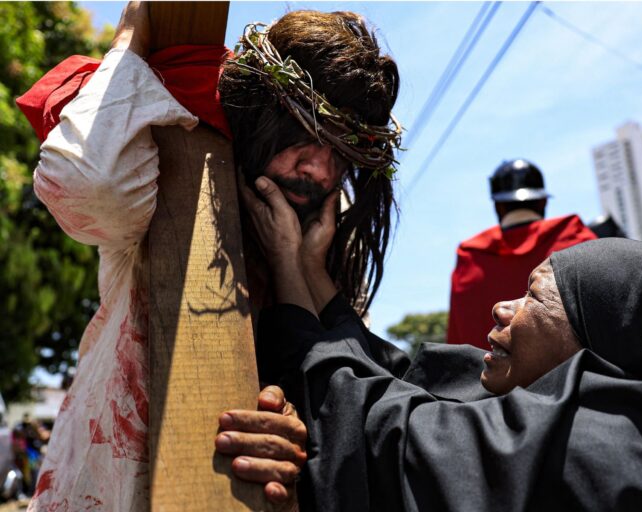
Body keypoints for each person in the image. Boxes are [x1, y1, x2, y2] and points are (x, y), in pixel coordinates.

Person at [17, 2, 400, 509]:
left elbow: (357, 396)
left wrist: (302, 268)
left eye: (339, 153)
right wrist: (129, 41)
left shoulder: (327, 236)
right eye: (303, 138)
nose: (319, 169)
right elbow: (85, 184)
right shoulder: (173, 167)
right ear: (263, 121)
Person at [220, 186, 642, 510]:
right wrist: (313, 271)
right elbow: (407, 381)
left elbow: (376, 428)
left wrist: (287, 263)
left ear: (602, 340)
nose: (502, 309)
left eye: (532, 295)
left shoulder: (589, 453)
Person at [446, 159, 596, 348]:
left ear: (498, 206)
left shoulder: (469, 257)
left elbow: (459, 338)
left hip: (490, 373)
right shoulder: (578, 238)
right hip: (575, 373)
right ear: (543, 202)